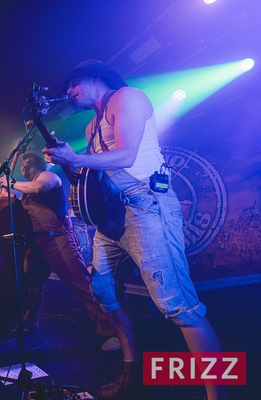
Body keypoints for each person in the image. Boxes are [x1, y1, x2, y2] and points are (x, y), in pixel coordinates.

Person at [43, 59, 226, 400]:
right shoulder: (90, 127)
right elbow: (95, 176)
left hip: (146, 206)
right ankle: (133, 373)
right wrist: (71, 167)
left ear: (96, 76)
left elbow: (125, 156)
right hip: (112, 215)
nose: (69, 91)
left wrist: (76, 160)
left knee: (179, 305)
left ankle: (218, 395)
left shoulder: (127, 97)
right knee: (105, 292)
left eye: (74, 82)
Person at [0, 152, 118, 350]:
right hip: (37, 243)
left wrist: (11, 183)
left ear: (38, 165)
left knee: (79, 282)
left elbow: (38, 188)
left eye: (27, 165)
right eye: (21, 165)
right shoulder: (25, 190)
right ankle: (29, 323)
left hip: (58, 239)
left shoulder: (48, 177)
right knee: (32, 283)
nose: (23, 169)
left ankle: (110, 329)